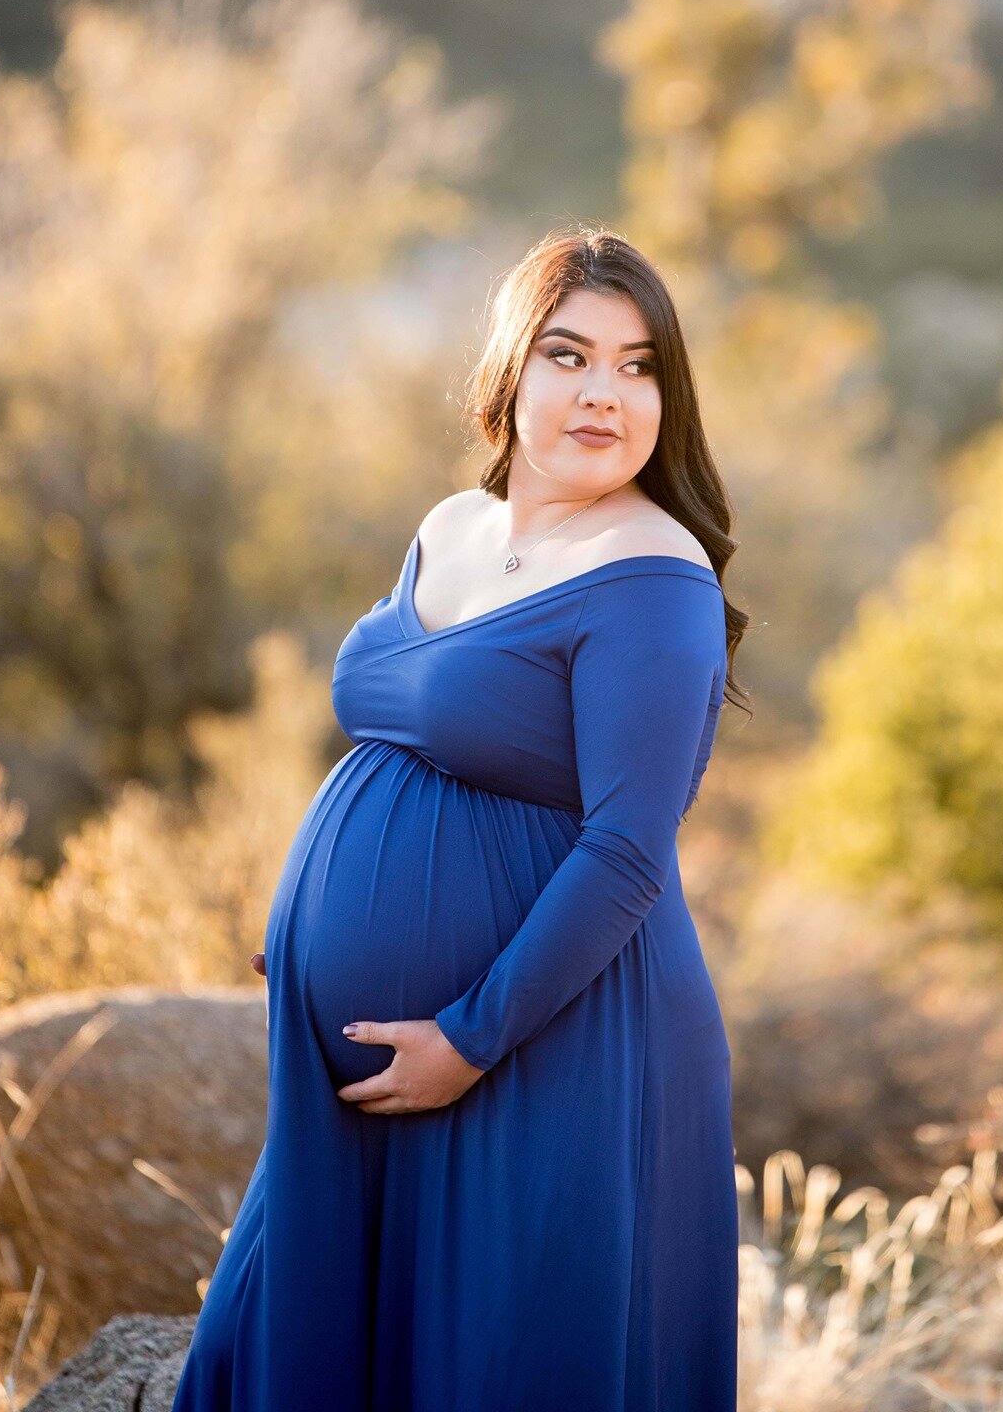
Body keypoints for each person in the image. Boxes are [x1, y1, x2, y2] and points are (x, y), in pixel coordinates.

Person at [171, 225, 750, 1412]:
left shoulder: (656, 573)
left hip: (549, 1049)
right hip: (381, 1062)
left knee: (496, 1368)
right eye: (569, 354)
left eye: (640, 366)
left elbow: (627, 850)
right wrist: (312, 924)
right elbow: (400, 741)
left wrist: (473, 1035)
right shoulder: (449, 526)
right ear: (508, 373)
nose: (604, 392)